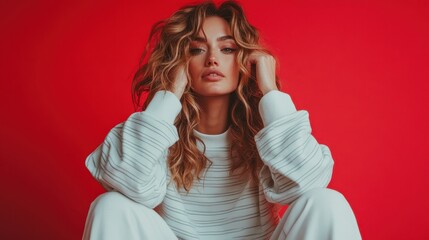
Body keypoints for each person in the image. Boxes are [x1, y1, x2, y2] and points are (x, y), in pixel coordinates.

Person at [82, 1, 361, 239]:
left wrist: (270, 91)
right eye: (196, 49)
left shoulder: (267, 134)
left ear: (245, 59)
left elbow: (309, 181)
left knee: (328, 203)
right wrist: (169, 95)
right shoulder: (158, 132)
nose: (213, 59)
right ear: (179, 61)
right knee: (110, 205)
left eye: (227, 49)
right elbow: (127, 180)